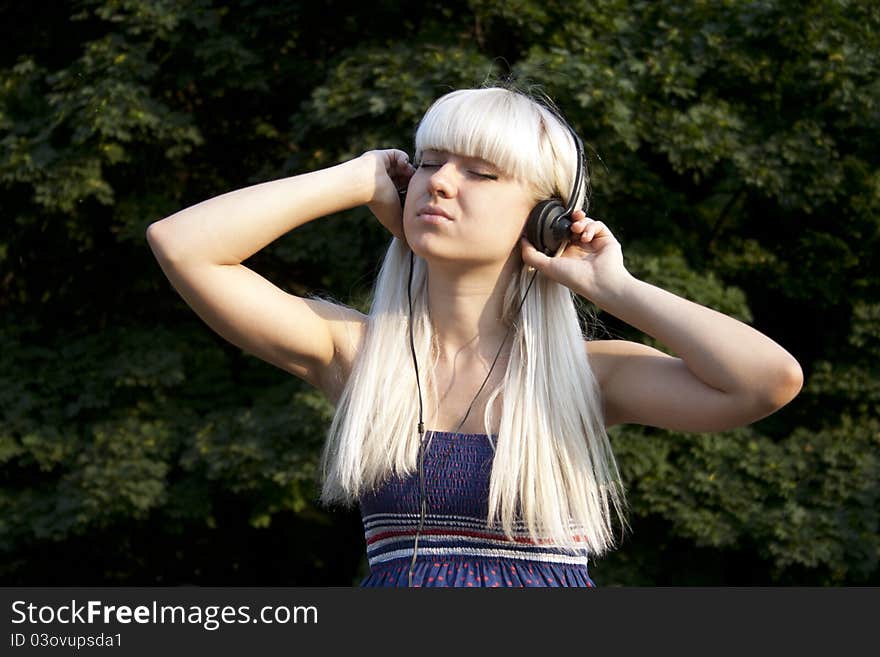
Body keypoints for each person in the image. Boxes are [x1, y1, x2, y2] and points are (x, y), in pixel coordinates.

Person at [146, 85, 804, 587]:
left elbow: (767, 380)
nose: (440, 182)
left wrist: (616, 288)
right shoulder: (359, 355)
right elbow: (181, 245)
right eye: (430, 162)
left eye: (480, 172)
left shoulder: (589, 375)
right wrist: (356, 177)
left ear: (546, 219)